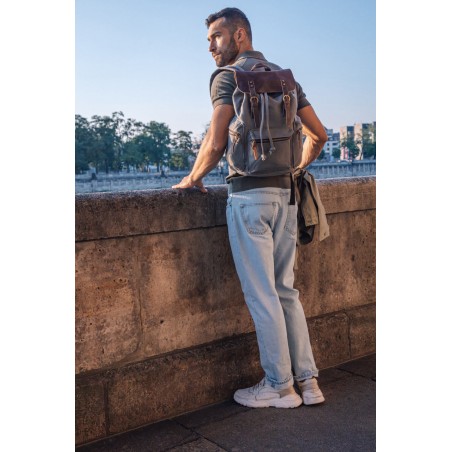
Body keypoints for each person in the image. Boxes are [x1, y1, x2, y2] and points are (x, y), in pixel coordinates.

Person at [173, 7, 328, 409]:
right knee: (286, 292)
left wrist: (192, 178)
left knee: (262, 296)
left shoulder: (229, 78)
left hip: (248, 199)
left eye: (217, 37)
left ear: (240, 35)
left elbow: (216, 139)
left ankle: (278, 386)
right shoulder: (285, 78)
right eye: (208, 40)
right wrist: (296, 167)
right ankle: (309, 384)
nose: (210, 47)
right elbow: (320, 134)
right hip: (286, 198)